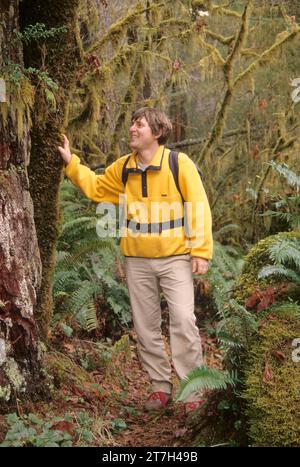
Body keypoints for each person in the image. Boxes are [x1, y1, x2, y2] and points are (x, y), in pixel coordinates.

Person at [58, 107, 213, 413]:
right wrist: (71, 163)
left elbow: (199, 206)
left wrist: (201, 251)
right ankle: (159, 387)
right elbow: (97, 187)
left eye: (139, 125)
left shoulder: (178, 164)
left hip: (176, 258)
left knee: (183, 320)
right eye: (131, 123)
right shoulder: (124, 167)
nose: (132, 128)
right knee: (145, 327)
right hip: (137, 260)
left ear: (157, 132)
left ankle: (193, 389)